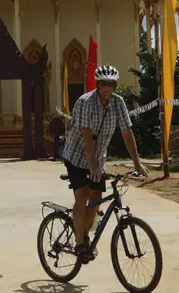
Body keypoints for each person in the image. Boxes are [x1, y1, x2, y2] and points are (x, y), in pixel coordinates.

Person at [62, 64, 148, 262]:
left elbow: (127, 132)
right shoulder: (85, 102)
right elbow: (86, 136)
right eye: (104, 84)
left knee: (96, 200)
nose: (108, 88)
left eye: (111, 84)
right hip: (76, 156)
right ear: (97, 84)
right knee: (82, 196)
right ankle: (79, 243)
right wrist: (92, 168)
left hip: (98, 158)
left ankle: (84, 233)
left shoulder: (118, 103)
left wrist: (137, 162)